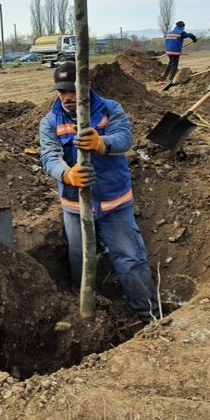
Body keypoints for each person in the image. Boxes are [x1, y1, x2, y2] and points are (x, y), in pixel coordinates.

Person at [39, 62, 160, 322]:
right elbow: (49, 156)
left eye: (72, 90)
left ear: (87, 86)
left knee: (129, 258)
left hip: (114, 202)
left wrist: (102, 142)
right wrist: (67, 174)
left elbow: (125, 139)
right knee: (80, 259)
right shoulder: (50, 121)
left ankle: (148, 314)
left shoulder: (109, 109)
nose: (67, 97)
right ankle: (83, 311)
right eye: (61, 92)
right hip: (75, 206)